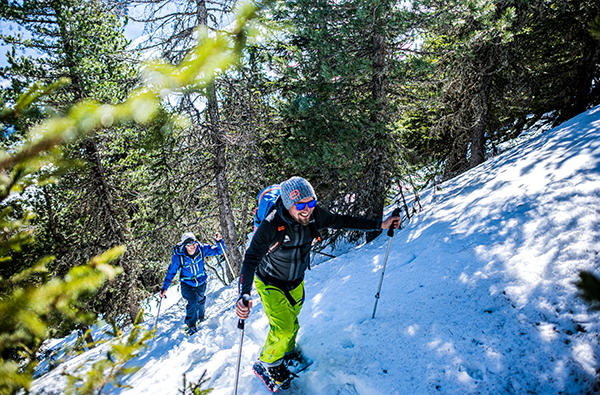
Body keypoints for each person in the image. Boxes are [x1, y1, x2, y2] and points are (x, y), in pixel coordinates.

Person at [235, 176, 400, 387]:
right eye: (300, 205)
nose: (307, 209)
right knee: (283, 327)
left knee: (293, 321)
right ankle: (268, 362)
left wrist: (381, 224)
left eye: (311, 202)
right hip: (269, 281)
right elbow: (250, 260)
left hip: (296, 280)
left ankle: (287, 351)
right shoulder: (271, 224)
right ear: (287, 204)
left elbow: (345, 221)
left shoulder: (315, 216)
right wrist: (244, 294)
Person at [160, 231, 225, 335]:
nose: (192, 246)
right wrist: (164, 287)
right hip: (186, 282)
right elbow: (171, 272)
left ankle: (201, 317)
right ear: (184, 245)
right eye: (189, 244)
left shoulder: (202, 248)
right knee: (192, 302)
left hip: (200, 280)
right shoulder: (179, 256)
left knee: (201, 299)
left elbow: (219, 251)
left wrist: (219, 241)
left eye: (193, 242)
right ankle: (191, 325)